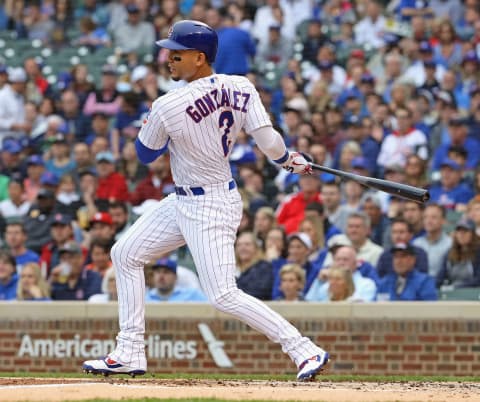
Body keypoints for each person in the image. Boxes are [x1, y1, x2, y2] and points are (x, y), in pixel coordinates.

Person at [82, 20, 329, 381]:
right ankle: (130, 351)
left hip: (209, 205)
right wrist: (287, 159)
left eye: (176, 53)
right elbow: (269, 140)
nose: (167, 58)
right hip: (186, 199)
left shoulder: (169, 103)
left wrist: (151, 120)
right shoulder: (240, 85)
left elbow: (145, 154)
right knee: (125, 254)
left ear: (200, 58)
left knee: (223, 295)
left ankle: (303, 348)